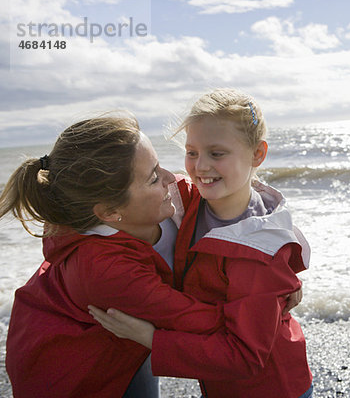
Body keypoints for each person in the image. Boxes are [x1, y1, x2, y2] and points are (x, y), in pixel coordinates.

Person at [0, 114, 296, 398]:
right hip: (70, 371)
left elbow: (248, 211)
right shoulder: (103, 270)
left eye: (159, 165)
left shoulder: (173, 198)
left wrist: (281, 269)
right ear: (111, 213)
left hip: (127, 336)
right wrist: (270, 298)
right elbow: (199, 320)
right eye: (153, 178)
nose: (172, 177)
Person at [90, 89, 313, 398]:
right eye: (192, 152)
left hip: (272, 387)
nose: (200, 167)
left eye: (216, 153)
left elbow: (245, 357)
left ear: (257, 154)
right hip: (218, 383)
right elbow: (110, 194)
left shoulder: (260, 250)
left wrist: (151, 338)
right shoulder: (190, 200)